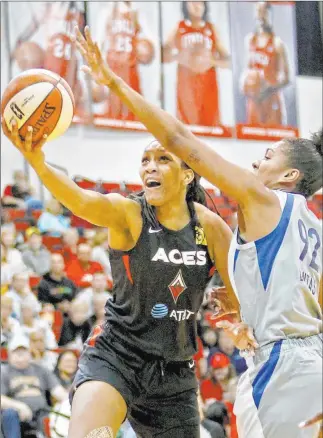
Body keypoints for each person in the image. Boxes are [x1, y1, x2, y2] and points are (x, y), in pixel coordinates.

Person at [73, 25, 322, 438]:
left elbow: (176, 137)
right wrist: (244, 302)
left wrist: (113, 81)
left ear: (289, 175)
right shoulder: (312, 225)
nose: (258, 164)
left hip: (282, 367)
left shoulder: (263, 198)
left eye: (267, 156)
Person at [2, 87, 256, 438]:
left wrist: (240, 318)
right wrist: (38, 162)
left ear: (187, 175)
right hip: (117, 355)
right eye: (145, 160)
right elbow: (79, 199)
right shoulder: (130, 213)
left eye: (163, 159)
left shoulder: (210, 226)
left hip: (175, 372)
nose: (150, 166)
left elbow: (242, 290)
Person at [163, 1, 230, 126]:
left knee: (210, 126)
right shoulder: (180, 27)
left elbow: (228, 61)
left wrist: (212, 61)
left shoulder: (211, 28)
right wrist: (178, 56)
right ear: (185, 5)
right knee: (186, 128)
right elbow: (162, 56)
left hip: (208, 84)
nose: (197, 5)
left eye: (200, 2)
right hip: (186, 85)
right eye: (193, 2)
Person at [1, 334, 68, 436]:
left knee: (55, 417)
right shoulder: (4, 371)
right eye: (16, 353)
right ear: (9, 354)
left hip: (42, 412)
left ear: (29, 353)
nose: (20, 357)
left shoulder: (40, 370)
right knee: (9, 414)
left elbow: (58, 391)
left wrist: (70, 403)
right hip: (18, 413)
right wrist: (20, 406)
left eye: (23, 352)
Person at [240, 1, 290, 126]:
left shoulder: (277, 43)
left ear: (270, 15)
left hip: (271, 98)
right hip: (254, 99)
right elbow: (247, 70)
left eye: (264, 12)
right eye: (258, 11)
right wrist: (245, 85)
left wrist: (269, 87)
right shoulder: (249, 41)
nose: (261, 15)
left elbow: (287, 78)